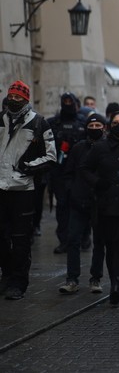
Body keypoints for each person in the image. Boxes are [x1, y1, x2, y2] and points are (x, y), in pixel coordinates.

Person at [0, 81, 56, 300]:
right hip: (1, 187)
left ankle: (18, 282)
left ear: (26, 99)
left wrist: (27, 167)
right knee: (1, 237)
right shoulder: (1, 119)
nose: (13, 100)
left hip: (23, 189)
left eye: (18, 97)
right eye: (11, 96)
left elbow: (51, 157)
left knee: (21, 238)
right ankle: (7, 273)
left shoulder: (39, 123)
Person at [81, 111, 119, 305]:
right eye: (115, 122)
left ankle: (117, 284)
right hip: (104, 206)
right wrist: (97, 182)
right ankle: (113, 278)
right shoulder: (100, 148)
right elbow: (84, 168)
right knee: (109, 246)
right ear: (110, 125)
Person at [58, 112, 106, 295]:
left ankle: (96, 278)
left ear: (104, 128)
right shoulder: (78, 148)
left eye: (98, 126)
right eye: (91, 126)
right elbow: (68, 172)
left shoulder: (107, 147)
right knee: (73, 240)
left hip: (100, 203)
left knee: (99, 242)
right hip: (78, 201)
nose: (94, 129)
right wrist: (71, 191)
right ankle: (72, 279)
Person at [48, 92, 87, 254]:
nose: (68, 103)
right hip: (59, 172)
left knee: (81, 206)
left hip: (79, 173)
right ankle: (64, 240)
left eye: (70, 101)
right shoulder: (53, 123)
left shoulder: (82, 123)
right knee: (62, 207)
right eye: (65, 101)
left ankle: (84, 238)